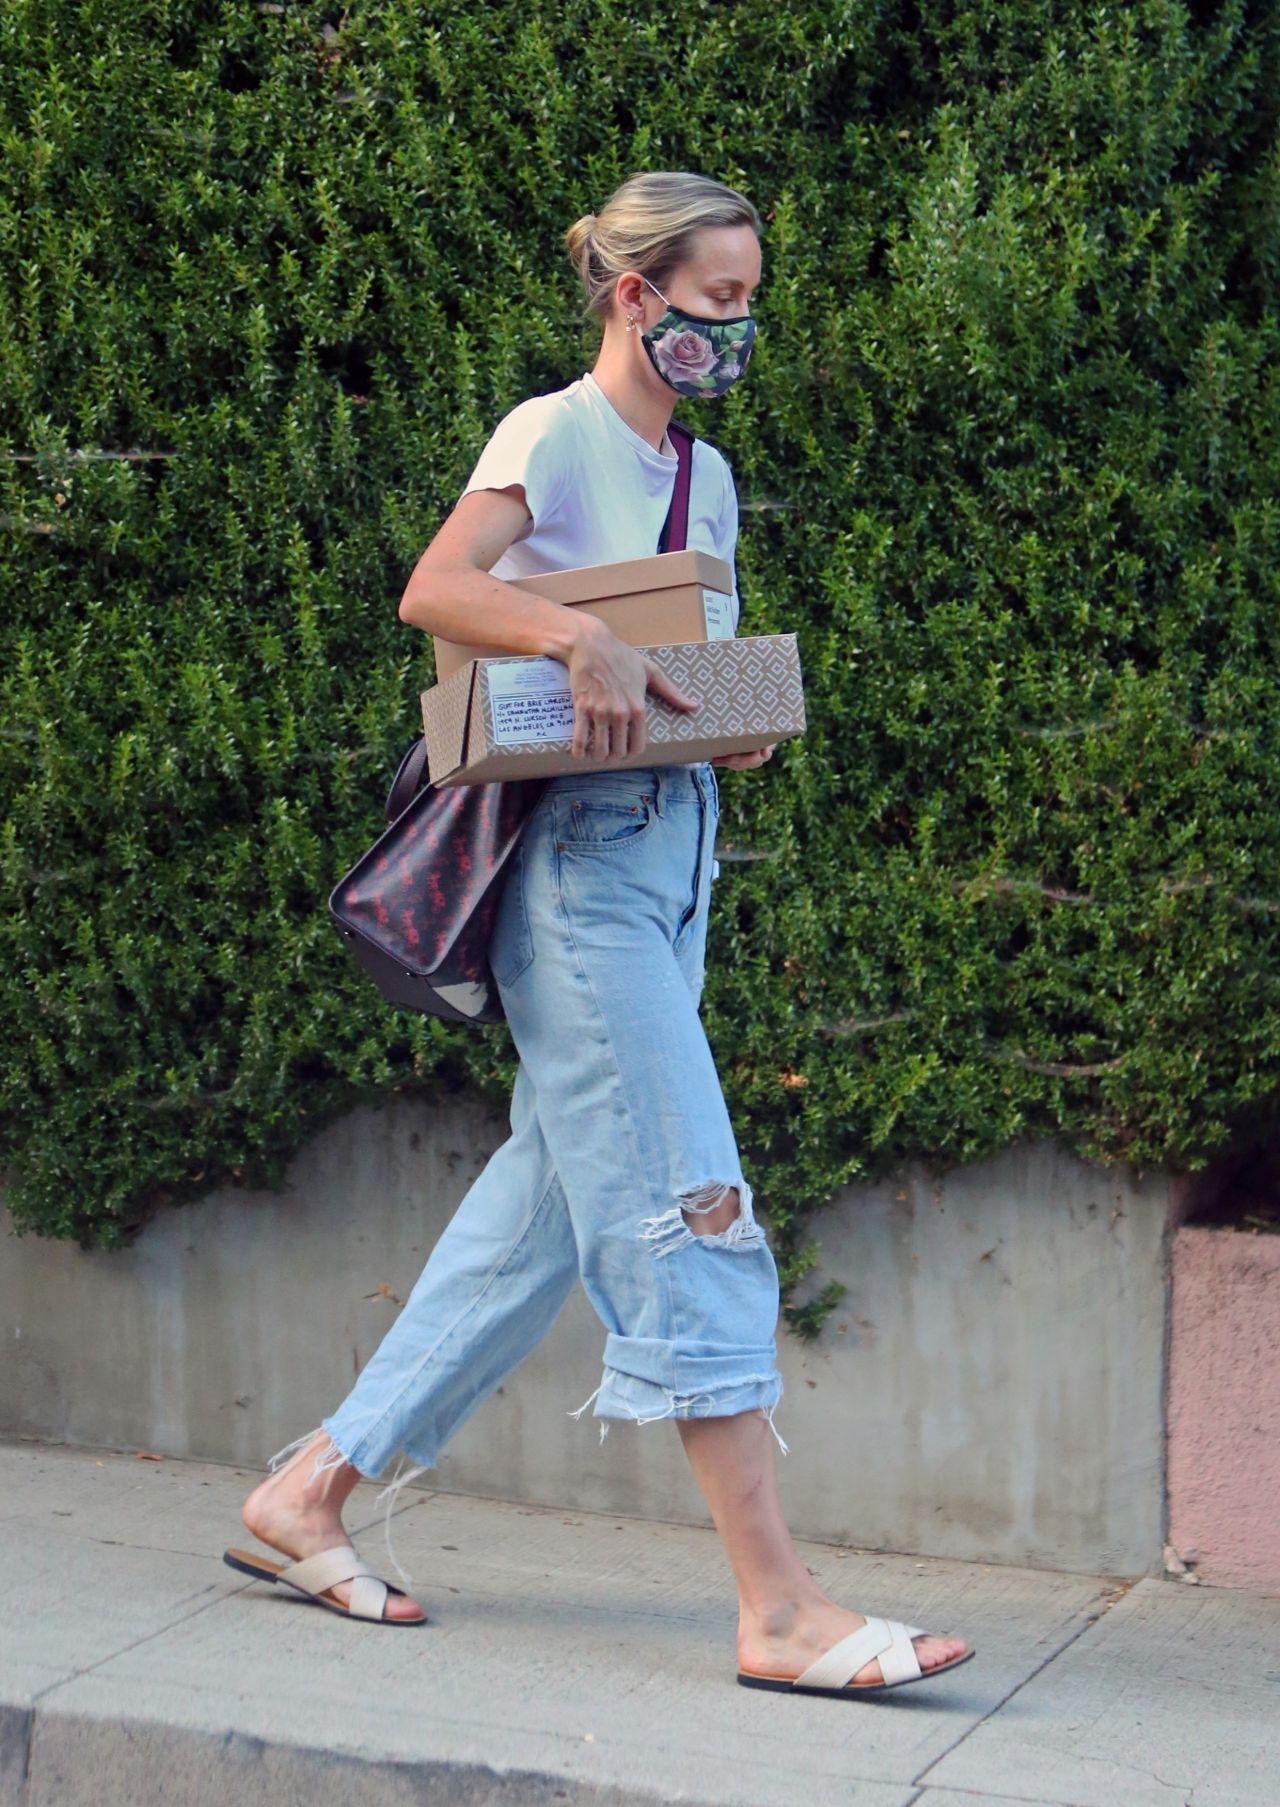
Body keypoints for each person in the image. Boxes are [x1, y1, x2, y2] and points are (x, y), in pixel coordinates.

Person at [229, 171, 973, 1696]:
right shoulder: (550, 433)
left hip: (672, 861)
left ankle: (306, 1497)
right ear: (636, 296)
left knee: (541, 1225)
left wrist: (734, 723)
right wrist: (569, 630)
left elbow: (682, 672)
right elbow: (435, 592)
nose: (736, 328)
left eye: (750, 302)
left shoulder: (703, 475)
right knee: (690, 1204)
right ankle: (777, 1605)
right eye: (713, 302)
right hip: (571, 875)